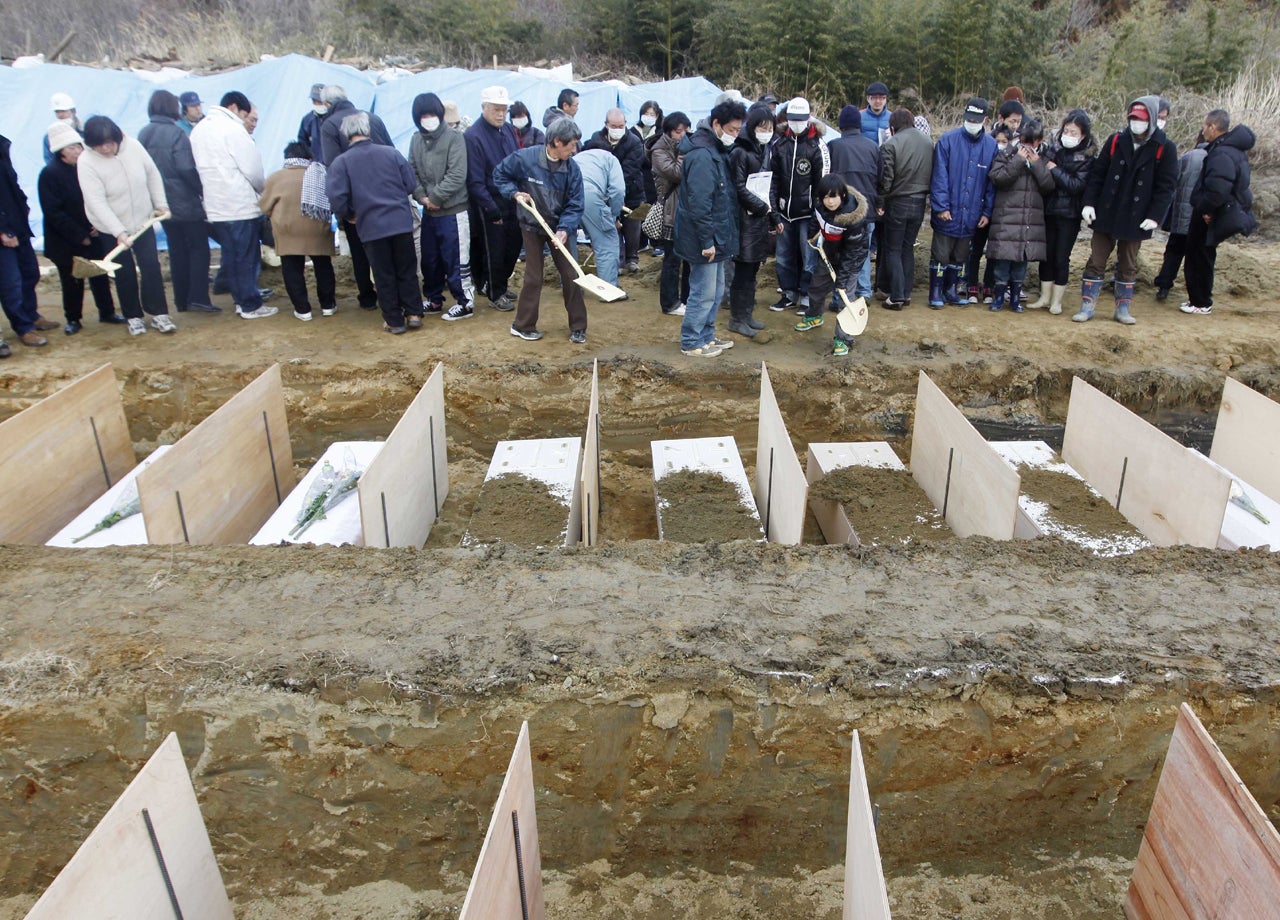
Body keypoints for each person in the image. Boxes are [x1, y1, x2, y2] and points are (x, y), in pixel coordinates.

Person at [1077, 96, 1178, 325]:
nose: (1136, 123)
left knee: (1128, 263)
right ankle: (1087, 305)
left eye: (1141, 119)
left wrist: (1155, 216)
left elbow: (1166, 187)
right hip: (1107, 211)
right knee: (1096, 258)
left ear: (1151, 119)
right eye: (1133, 118)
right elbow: (1098, 174)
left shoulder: (1164, 147)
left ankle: (1122, 308)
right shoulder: (1116, 140)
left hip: (1137, 215)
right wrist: (1089, 203)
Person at [493, 116, 588, 343]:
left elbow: (576, 204)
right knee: (534, 277)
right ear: (556, 142)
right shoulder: (526, 159)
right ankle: (523, 325)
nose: (574, 150)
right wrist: (514, 193)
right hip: (531, 224)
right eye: (570, 145)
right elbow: (500, 174)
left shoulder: (572, 170)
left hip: (559, 227)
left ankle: (578, 326)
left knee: (571, 275)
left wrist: (564, 229)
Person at [77, 115, 175, 335]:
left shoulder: (134, 147)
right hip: (110, 226)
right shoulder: (86, 162)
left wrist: (160, 204)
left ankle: (159, 313)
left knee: (150, 266)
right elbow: (96, 201)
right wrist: (118, 231)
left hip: (142, 221)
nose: (105, 149)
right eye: (99, 145)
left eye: (109, 143)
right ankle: (133, 316)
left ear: (117, 137)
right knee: (124, 272)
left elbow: (152, 175)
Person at [327, 112, 421, 334]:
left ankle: (394, 320)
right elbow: (409, 184)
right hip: (400, 221)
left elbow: (336, 197)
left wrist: (349, 214)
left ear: (346, 135)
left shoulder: (342, 162)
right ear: (367, 130)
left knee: (383, 273)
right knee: (406, 268)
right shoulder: (391, 153)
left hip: (371, 225)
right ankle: (414, 313)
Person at [191, 91, 276, 320]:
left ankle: (241, 300)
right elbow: (253, 170)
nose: (245, 119)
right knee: (246, 257)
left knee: (231, 255)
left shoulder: (199, 129)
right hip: (239, 204)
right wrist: (262, 191)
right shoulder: (233, 129)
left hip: (216, 206)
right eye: (245, 114)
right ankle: (250, 304)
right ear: (234, 107)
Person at [673, 99, 747, 358]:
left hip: (717, 233)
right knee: (703, 291)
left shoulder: (716, 150)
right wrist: (707, 241)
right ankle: (691, 340)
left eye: (738, 130)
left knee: (715, 290)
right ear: (717, 124)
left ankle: (706, 335)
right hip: (702, 237)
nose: (735, 135)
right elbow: (700, 204)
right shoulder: (703, 155)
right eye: (732, 130)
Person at [38, 123, 124, 334]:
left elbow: (97, 198)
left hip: (93, 231)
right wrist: (80, 235)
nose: (78, 151)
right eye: (72, 148)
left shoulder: (87, 168)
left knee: (99, 274)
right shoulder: (49, 174)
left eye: (78, 146)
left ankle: (107, 311)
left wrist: (96, 224)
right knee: (71, 279)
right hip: (65, 239)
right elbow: (54, 212)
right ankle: (73, 318)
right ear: (60, 152)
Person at [138, 89, 216, 315]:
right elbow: (185, 167)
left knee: (177, 250)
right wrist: (201, 190)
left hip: (161, 204)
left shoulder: (143, 134)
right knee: (199, 248)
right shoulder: (176, 134)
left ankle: (181, 299)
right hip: (184, 201)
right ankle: (199, 297)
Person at [1182, 110, 1256, 316]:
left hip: (1211, 213)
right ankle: (1199, 299)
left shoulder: (1222, 152)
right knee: (1204, 255)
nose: (1203, 130)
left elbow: (1218, 188)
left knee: (1199, 256)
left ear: (1213, 127)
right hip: (1218, 210)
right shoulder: (1232, 149)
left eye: (1205, 126)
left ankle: (1200, 302)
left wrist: (1207, 210)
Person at [408, 92, 473, 321]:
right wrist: (421, 197)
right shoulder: (416, 139)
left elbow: (457, 174)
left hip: (453, 211)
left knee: (455, 257)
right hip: (429, 212)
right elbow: (412, 171)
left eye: (432, 114)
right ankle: (434, 299)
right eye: (423, 115)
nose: (428, 118)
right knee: (430, 259)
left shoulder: (455, 138)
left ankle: (465, 302)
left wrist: (435, 197)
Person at [928, 97, 997, 309]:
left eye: (977, 119)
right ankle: (936, 291)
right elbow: (939, 176)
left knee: (960, 254)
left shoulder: (991, 146)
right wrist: (941, 206)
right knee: (941, 253)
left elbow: (991, 184)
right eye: (969, 118)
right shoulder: (947, 141)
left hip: (972, 212)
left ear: (985, 119)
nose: (972, 122)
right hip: (948, 210)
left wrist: (987, 212)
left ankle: (951, 290)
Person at [259, 143, 337, 321]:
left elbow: (264, 207)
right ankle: (328, 305)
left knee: (292, 269)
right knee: (323, 266)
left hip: (288, 231)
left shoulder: (275, 178)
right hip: (317, 229)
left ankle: (303, 310)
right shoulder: (320, 174)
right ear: (308, 157)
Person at [795, 175, 868, 357]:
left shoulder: (853, 218)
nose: (830, 201)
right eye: (826, 197)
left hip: (851, 259)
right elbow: (816, 219)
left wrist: (842, 280)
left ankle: (843, 338)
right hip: (828, 253)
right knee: (817, 287)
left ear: (842, 195)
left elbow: (851, 254)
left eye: (833, 196)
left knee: (845, 297)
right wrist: (813, 235)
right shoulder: (821, 206)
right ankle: (814, 315)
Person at [986, 119, 1054, 313]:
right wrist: (1017, 160)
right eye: (1025, 140)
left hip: (1029, 220)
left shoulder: (1044, 157)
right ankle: (998, 297)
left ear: (1040, 140)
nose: (1028, 145)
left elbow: (1049, 186)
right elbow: (997, 177)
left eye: (1033, 142)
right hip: (1006, 217)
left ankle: (1015, 298)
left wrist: (1037, 165)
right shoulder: (1007, 153)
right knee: (1002, 260)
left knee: (1020, 262)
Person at [768, 97, 829, 313]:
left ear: (808, 119)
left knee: (809, 257)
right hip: (785, 212)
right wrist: (774, 211)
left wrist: (817, 215)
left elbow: (823, 184)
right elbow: (772, 180)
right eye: (792, 119)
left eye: (800, 120)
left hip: (808, 213)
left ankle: (806, 296)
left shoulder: (818, 146)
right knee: (783, 256)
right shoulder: (779, 144)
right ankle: (788, 293)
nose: (796, 124)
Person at [1033, 109, 1094, 315]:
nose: (1068, 135)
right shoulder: (1053, 149)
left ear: (1083, 135)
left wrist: (1054, 169)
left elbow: (1076, 185)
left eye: (1074, 132)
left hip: (1070, 214)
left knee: (1061, 257)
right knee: (1046, 255)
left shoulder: (1087, 157)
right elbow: (1042, 169)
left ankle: (1057, 301)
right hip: (1049, 210)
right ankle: (1044, 297)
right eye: (1066, 130)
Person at [466, 85, 521, 312]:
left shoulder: (508, 130)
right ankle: (494, 292)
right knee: (494, 249)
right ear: (484, 107)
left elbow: (517, 161)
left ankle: (500, 282)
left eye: (504, 110)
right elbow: (475, 180)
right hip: (490, 200)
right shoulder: (473, 136)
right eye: (496, 109)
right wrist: (490, 208)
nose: (500, 114)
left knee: (514, 245)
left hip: (513, 197)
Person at [726, 103, 778, 338]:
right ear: (753, 126)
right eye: (762, 126)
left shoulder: (765, 150)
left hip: (759, 219)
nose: (766, 131)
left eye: (770, 127)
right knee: (743, 271)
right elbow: (737, 187)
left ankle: (747, 314)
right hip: (744, 218)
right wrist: (761, 207)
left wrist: (772, 214)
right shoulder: (740, 151)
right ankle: (737, 318)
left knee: (754, 269)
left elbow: (769, 186)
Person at [1, 132, 54, 352]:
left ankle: (31, 314)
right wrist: (3, 230)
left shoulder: (2, 147)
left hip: (18, 225)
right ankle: (23, 327)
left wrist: (22, 207)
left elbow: (10, 186)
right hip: (4, 230)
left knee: (30, 272)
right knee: (10, 282)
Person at [876, 109, 933, 309]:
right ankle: (906, 293)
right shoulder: (928, 142)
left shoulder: (891, 144)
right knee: (907, 248)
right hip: (920, 202)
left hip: (898, 202)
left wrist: (880, 202)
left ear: (893, 126)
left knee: (893, 248)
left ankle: (897, 295)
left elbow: (887, 179)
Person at [828, 105, 881, 302]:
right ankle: (864, 292)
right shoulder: (873, 147)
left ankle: (839, 297)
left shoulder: (833, 146)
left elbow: (826, 179)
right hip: (866, 210)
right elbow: (881, 179)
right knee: (863, 253)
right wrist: (879, 203)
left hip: (840, 212)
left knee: (841, 255)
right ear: (859, 126)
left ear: (841, 126)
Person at [584, 108, 646, 273]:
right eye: (614, 125)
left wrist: (618, 188)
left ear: (626, 124)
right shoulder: (595, 141)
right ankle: (618, 261)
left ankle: (632, 259)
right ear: (606, 125)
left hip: (633, 191)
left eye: (621, 125)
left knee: (633, 227)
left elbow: (630, 169)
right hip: (604, 194)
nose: (618, 129)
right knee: (612, 226)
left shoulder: (634, 142)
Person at [1152, 131, 1207, 302]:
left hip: (1182, 215)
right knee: (1197, 256)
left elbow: (1173, 181)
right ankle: (1197, 294)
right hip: (1202, 218)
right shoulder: (1217, 158)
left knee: (1174, 252)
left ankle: (1164, 286)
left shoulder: (1188, 157)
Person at [650, 112, 692, 316]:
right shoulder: (658, 150)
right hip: (670, 212)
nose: (683, 135)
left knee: (688, 259)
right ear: (669, 131)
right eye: (679, 131)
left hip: (684, 209)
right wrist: (685, 152)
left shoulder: (675, 147)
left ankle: (686, 299)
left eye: (686, 130)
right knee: (672, 260)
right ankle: (669, 303)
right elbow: (676, 173)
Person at [573, 146, 625, 286]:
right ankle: (609, 288)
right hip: (589, 194)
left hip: (565, 195)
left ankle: (570, 286)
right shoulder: (610, 159)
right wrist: (614, 217)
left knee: (567, 240)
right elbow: (618, 190)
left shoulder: (576, 158)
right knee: (606, 242)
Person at [43, 93, 82, 165]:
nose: (60, 115)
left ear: (73, 111)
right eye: (57, 112)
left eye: (63, 111)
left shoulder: (84, 132)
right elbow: (49, 160)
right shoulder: (49, 137)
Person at [296, 84, 327, 156]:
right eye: (315, 101)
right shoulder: (307, 120)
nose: (318, 104)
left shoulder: (335, 118)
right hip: (313, 163)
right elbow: (302, 143)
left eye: (320, 101)